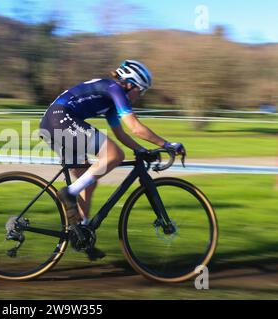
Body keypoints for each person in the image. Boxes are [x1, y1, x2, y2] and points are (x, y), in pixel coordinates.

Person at [39, 60, 185, 260]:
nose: (140, 96)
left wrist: (142, 150)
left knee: (90, 179)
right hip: (61, 119)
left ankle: (81, 234)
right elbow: (135, 127)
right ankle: (69, 193)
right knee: (114, 155)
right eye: (140, 91)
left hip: (52, 123)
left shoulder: (110, 100)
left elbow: (122, 134)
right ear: (130, 84)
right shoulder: (114, 89)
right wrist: (167, 144)